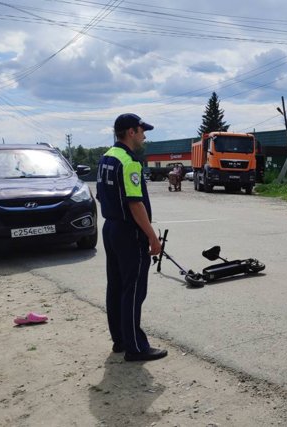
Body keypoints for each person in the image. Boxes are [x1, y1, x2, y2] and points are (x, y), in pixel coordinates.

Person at [96, 113, 167, 361]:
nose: (144, 136)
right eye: (142, 130)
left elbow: (101, 196)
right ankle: (136, 347)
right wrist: (152, 237)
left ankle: (120, 340)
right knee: (134, 289)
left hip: (111, 228)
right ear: (131, 132)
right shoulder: (129, 162)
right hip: (128, 232)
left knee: (116, 286)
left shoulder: (107, 158)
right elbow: (135, 204)